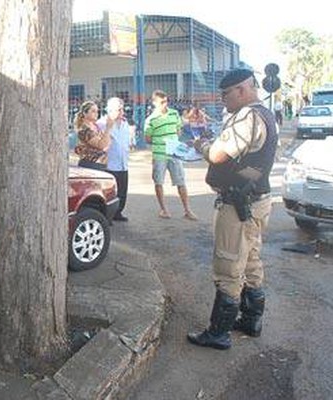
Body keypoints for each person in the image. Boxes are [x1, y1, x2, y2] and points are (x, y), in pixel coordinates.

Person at [187, 68, 278, 350]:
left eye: (225, 94)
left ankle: (218, 333)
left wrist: (200, 143)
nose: (222, 99)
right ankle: (251, 320)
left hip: (239, 205)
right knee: (251, 262)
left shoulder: (248, 116)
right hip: (256, 200)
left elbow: (217, 153)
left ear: (242, 89)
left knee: (228, 266)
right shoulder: (266, 114)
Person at [144, 90, 198, 220]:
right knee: (158, 182)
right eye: (162, 102)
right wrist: (161, 142)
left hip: (174, 154)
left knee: (181, 181)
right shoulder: (150, 120)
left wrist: (173, 142)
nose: (165, 104)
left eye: (166, 101)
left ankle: (187, 210)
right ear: (154, 103)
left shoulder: (174, 114)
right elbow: (148, 139)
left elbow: (178, 131)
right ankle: (163, 209)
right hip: (159, 155)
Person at [97, 97, 131, 221]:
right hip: (110, 164)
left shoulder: (124, 123)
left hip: (123, 162)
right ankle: (108, 215)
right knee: (110, 192)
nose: (122, 112)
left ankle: (118, 213)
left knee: (122, 190)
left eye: (122, 109)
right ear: (110, 110)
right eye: (119, 109)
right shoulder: (102, 123)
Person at [73, 100, 112, 170]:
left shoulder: (96, 126)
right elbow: (101, 145)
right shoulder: (84, 130)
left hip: (100, 164)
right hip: (90, 165)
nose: (96, 113)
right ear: (85, 113)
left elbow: (107, 143)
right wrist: (108, 128)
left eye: (97, 111)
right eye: (93, 111)